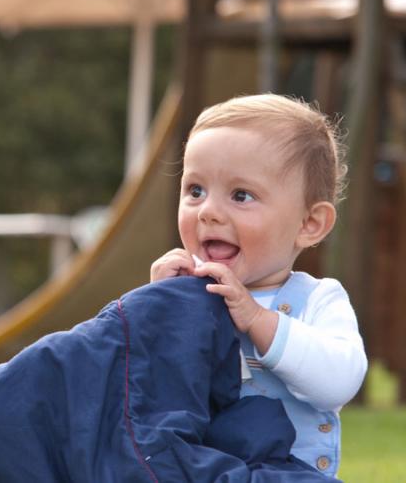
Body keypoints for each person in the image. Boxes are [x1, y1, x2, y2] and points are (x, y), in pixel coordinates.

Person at [149, 94, 367, 477]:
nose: (209, 211)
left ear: (308, 224)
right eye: (195, 190)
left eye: (240, 195)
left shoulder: (317, 300)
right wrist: (157, 307)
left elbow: (339, 383)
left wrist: (257, 320)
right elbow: (145, 394)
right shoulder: (185, 290)